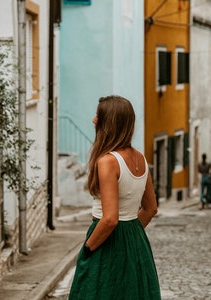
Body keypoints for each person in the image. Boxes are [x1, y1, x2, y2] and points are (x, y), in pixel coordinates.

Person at [69, 95, 161, 300]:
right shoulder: (140, 158)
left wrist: (88, 247)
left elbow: (110, 218)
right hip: (136, 240)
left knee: (97, 292)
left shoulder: (108, 162)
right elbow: (151, 208)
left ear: (108, 123)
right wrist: (129, 234)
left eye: (98, 116)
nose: (94, 120)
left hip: (107, 241)